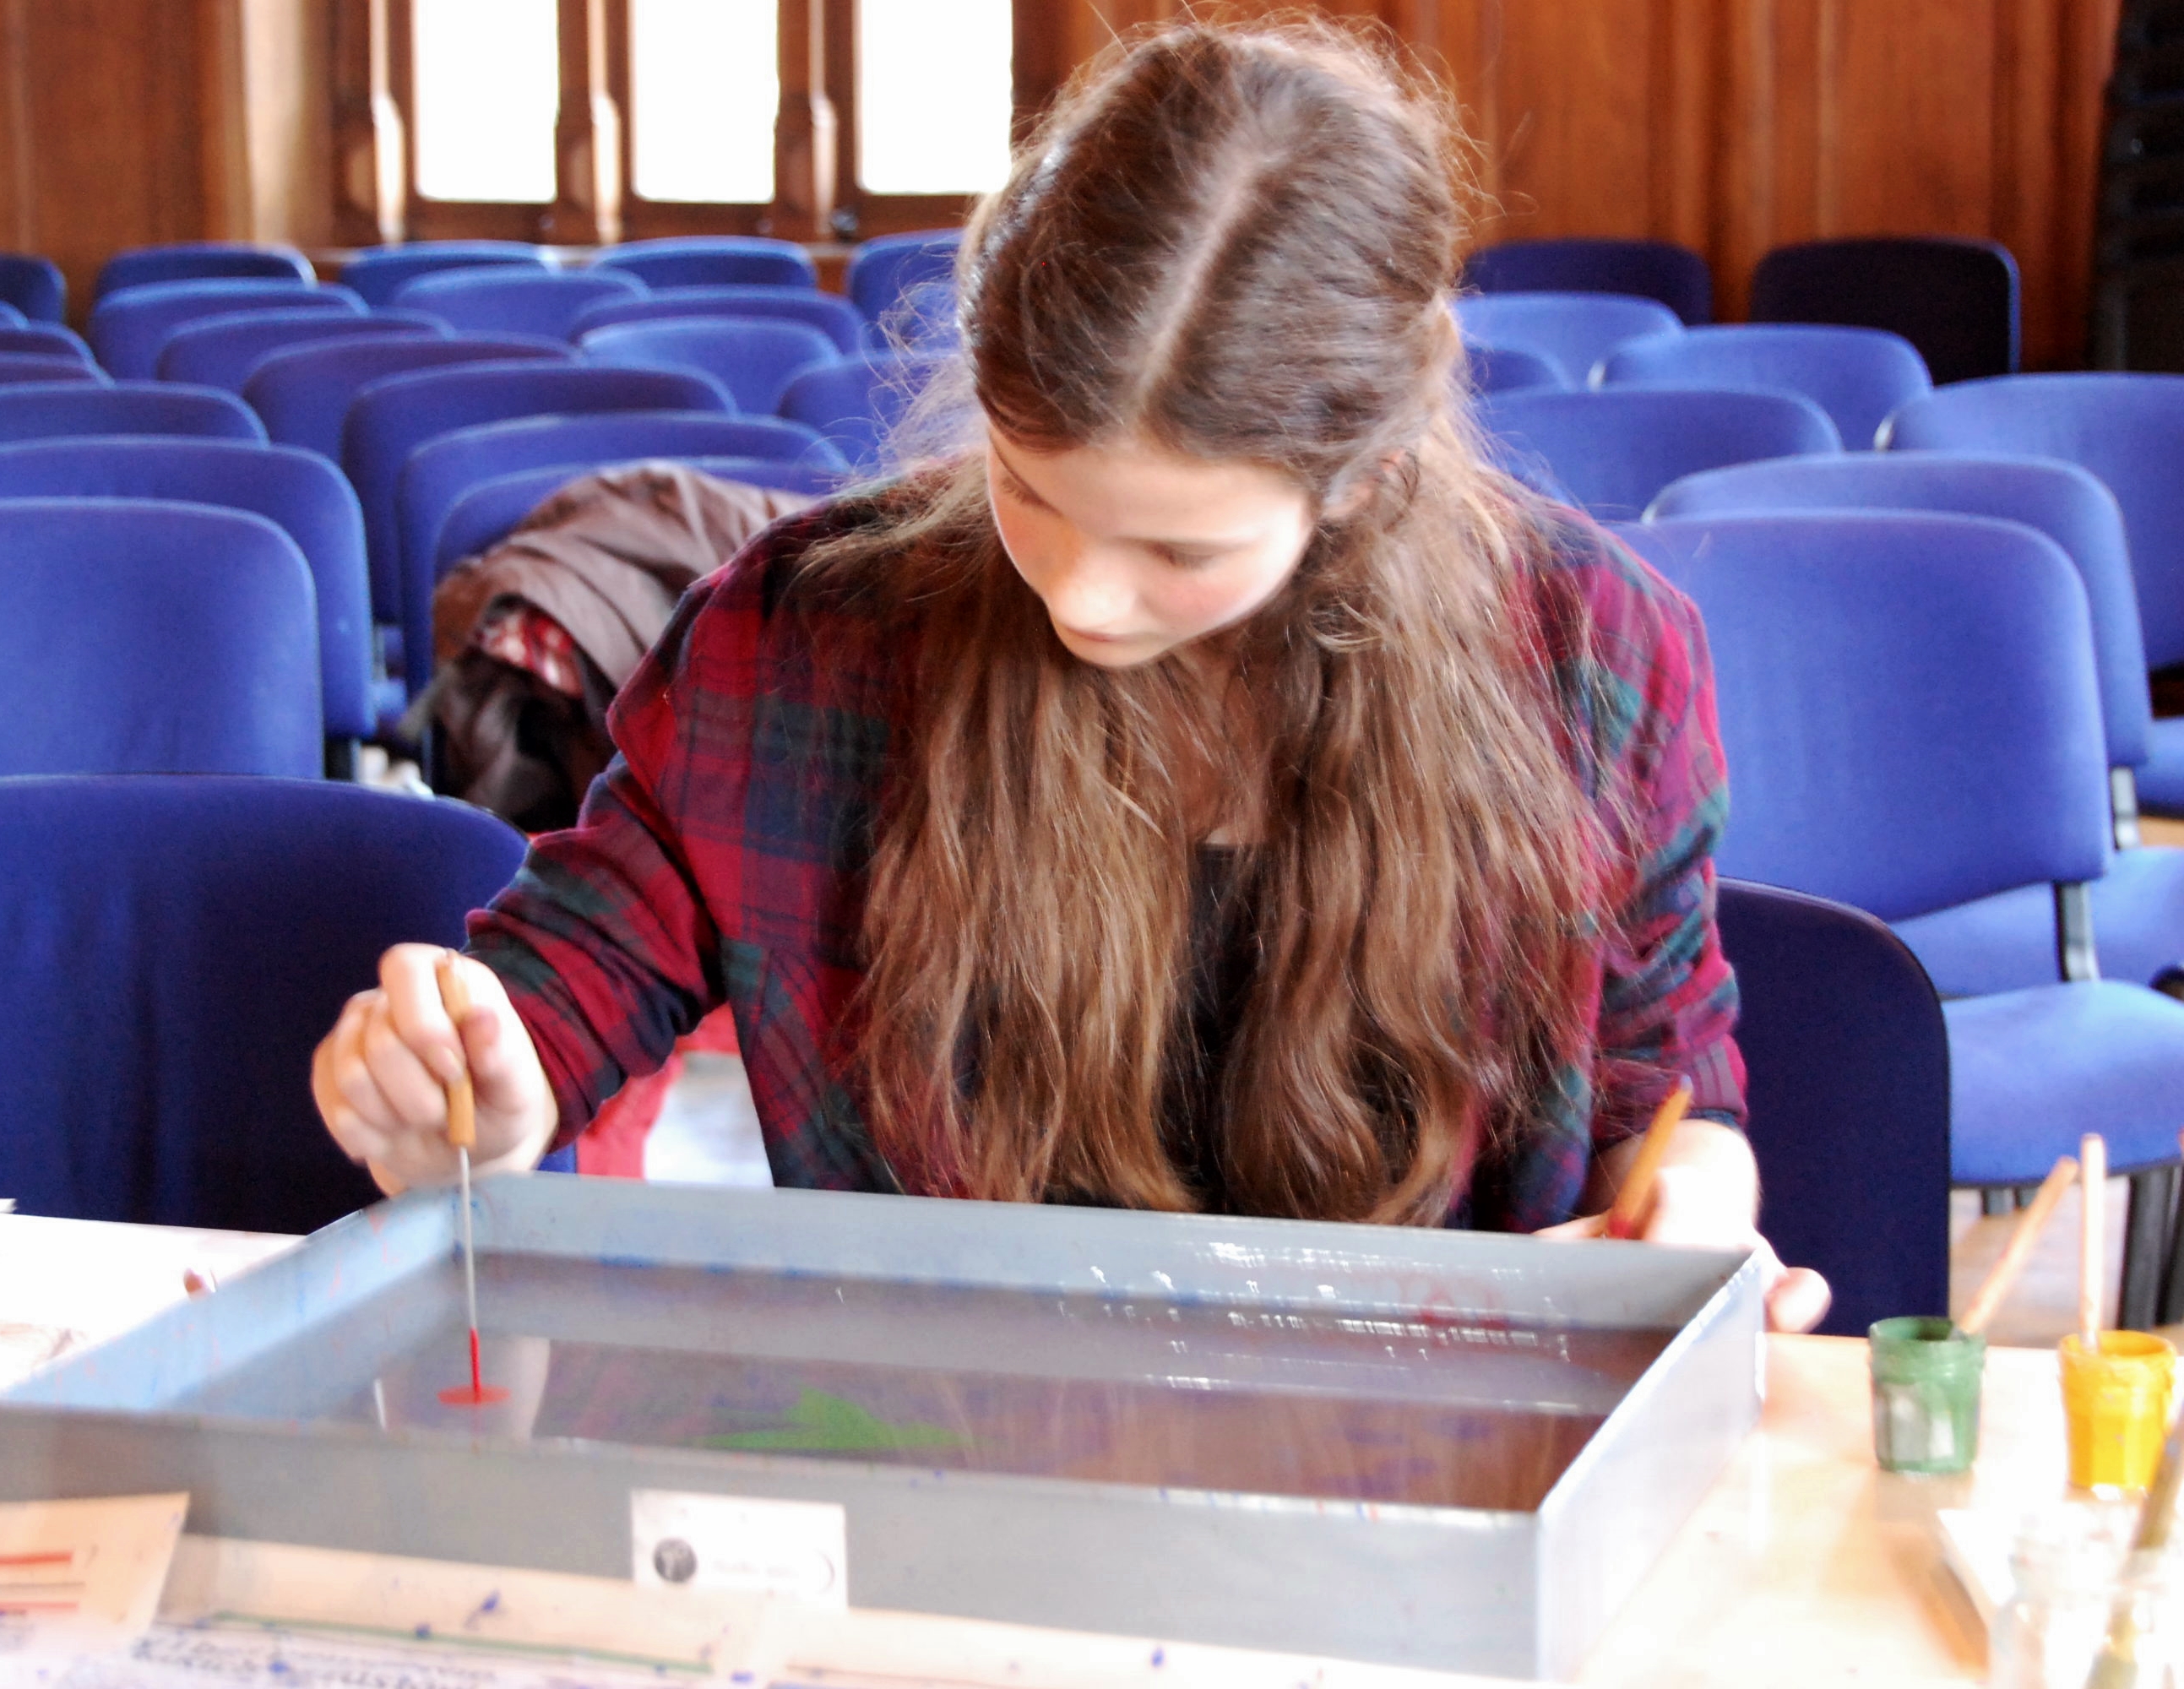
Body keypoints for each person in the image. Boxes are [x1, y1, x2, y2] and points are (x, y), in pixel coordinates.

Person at [313, 19, 1831, 1333]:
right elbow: (571, 981)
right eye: (1030, 492)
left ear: (1365, 477)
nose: (1082, 595)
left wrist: (1689, 1212)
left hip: (1434, 1469)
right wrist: (477, 1088)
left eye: (1181, 549)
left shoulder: (1584, 659)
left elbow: (1666, 1093)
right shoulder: (803, 639)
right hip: (962, 1448)